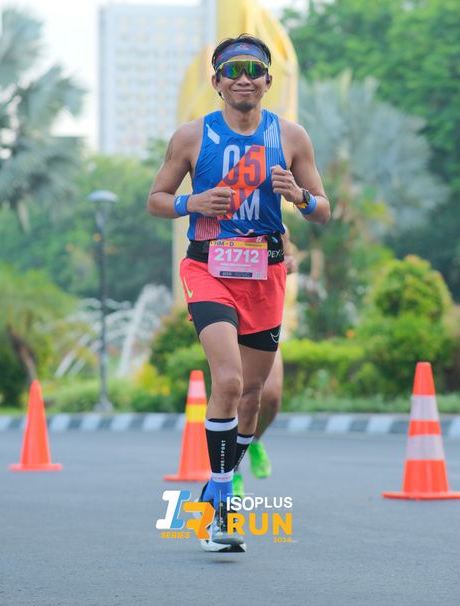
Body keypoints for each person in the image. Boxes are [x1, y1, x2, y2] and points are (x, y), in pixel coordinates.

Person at [147, 34, 330, 553]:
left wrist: (300, 197)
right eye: (232, 70)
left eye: (254, 69)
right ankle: (223, 511)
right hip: (208, 268)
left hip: (265, 274)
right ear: (217, 81)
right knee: (227, 380)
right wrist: (192, 203)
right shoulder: (191, 137)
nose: (243, 78)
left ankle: (217, 482)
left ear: (269, 80)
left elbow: (323, 210)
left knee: (254, 395)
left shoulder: (291, 137)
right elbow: (156, 199)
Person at [233, 228, 297, 497]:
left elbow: (289, 259)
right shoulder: (218, 218)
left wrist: (286, 261)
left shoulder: (274, 224)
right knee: (233, 393)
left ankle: (253, 439)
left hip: (264, 318)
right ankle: (231, 472)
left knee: (270, 397)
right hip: (228, 318)